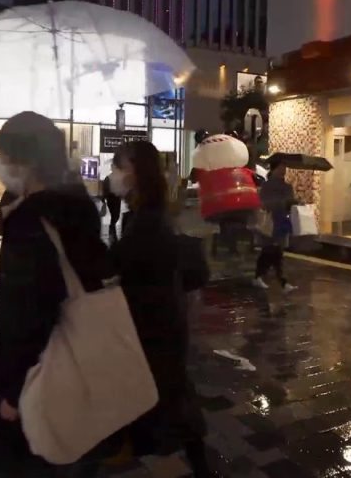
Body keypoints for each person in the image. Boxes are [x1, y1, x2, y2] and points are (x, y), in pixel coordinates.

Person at [0, 112, 111, 476]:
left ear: (26, 160)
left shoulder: (29, 222)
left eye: (5, 156)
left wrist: (12, 392)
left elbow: (25, 314)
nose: (2, 165)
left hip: (39, 377)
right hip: (82, 360)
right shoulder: (80, 206)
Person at [109, 141, 212, 477]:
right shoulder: (146, 212)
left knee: (171, 394)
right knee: (170, 391)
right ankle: (142, 444)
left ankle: (191, 461)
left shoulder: (148, 219)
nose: (115, 174)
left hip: (156, 324)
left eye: (119, 167)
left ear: (137, 171)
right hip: (158, 320)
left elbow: (115, 263)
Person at [255, 156, 298, 292]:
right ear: (273, 169)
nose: (283, 170)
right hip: (270, 221)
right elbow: (264, 204)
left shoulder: (287, 186)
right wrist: (283, 202)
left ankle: (265, 278)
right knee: (271, 251)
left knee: (275, 252)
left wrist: (294, 202)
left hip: (282, 222)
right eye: (280, 167)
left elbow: (289, 203)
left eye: (284, 168)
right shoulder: (267, 186)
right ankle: (279, 281)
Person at [101, 173, 122, 239]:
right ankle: (112, 230)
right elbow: (104, 189)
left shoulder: (114, 178)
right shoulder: (109, 178)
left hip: (116, 198)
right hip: (111, 198)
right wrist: (103, 198)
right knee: (115, 215)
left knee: (116, 215)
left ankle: (112, 229)